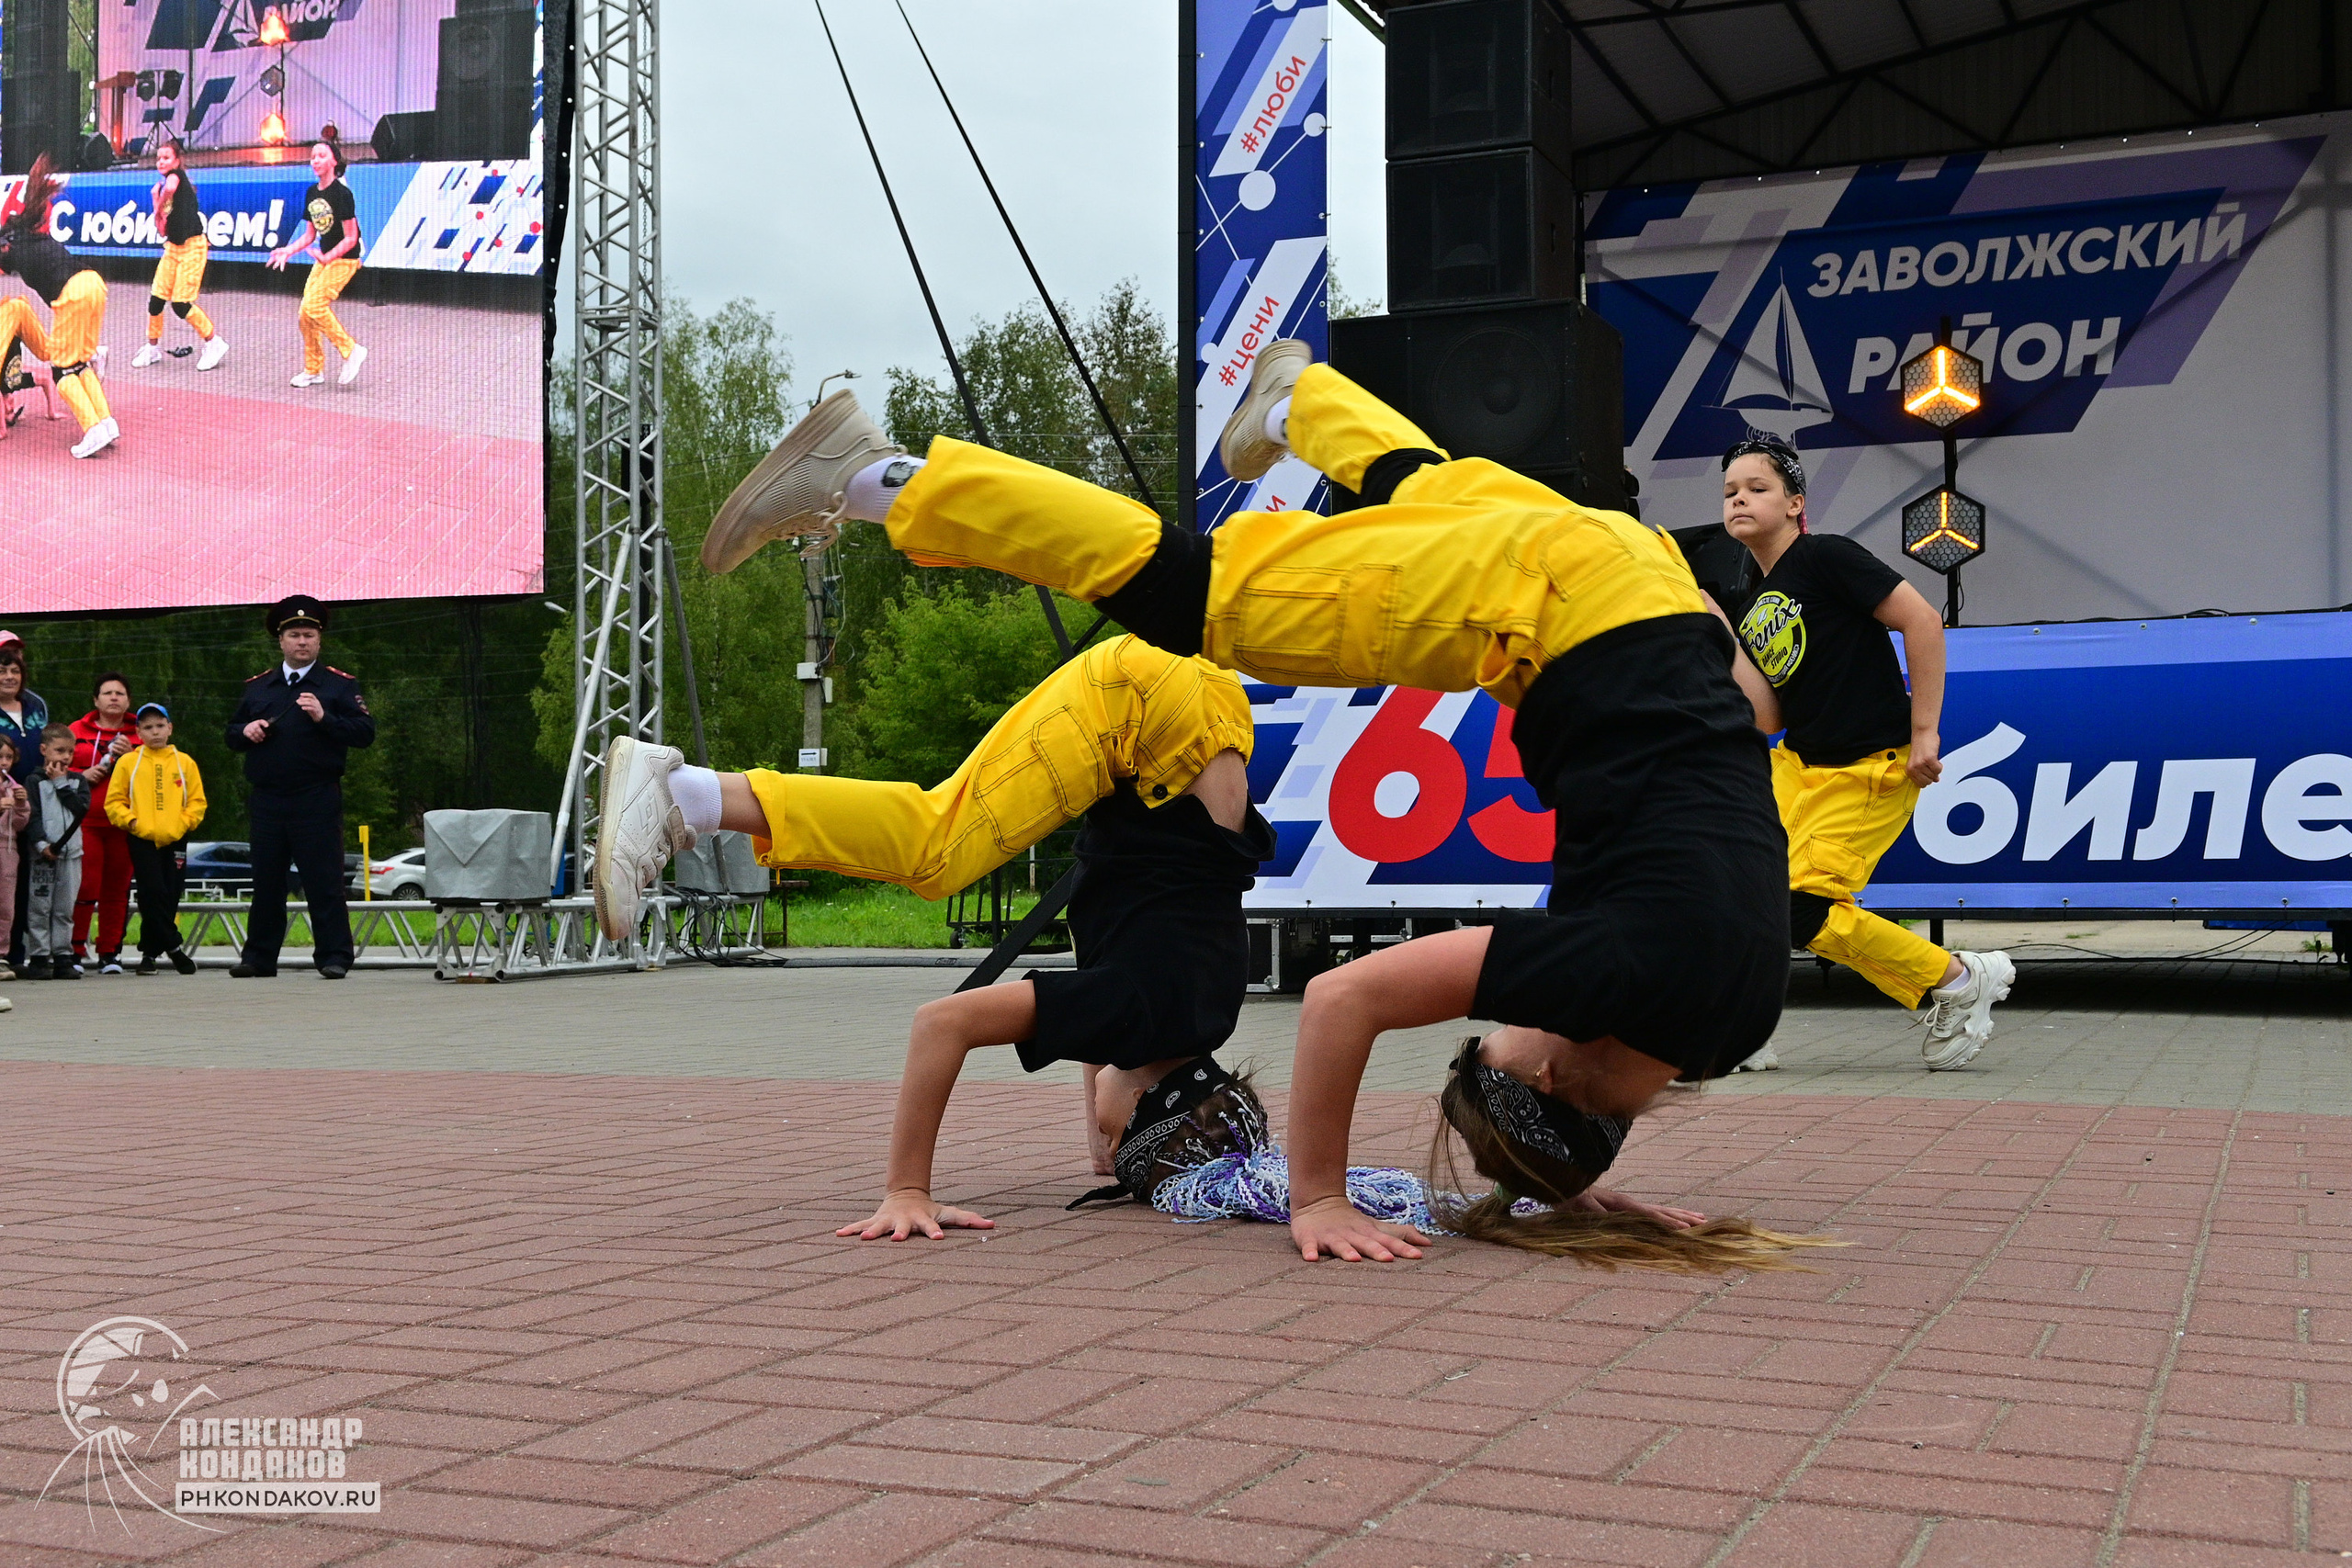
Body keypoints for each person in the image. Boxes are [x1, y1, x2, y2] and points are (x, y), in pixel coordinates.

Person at [704, 342, 1793, 1267]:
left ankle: (1295, 401)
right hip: (1552, 610)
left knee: (1428, 490)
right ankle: (877, 475)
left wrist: (1567, 1185)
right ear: (1552, 1068)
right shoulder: (1620, 976)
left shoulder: (1728, 1019)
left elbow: (1748, 720)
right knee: (1197, 592)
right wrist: (1317, 1196)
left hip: (1653, 584)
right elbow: (1341, 1001)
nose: (1502, 1026)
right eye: (1492, 1052)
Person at [1711, 431, 2013, 1071]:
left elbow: (1922, 620)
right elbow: (1768, 715)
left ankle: (1957, 978)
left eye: (1757, 488)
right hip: (1798, 764)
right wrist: (1718, 628)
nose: (1739, 499)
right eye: (1730, 491)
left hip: (1867, 764)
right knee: (1739, 887)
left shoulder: (1826, 556)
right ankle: (1743, 1026)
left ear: (1795, 503)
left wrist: (1925, 731)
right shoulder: (1748, 600)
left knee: (1802, 907)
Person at [224, 595, 374, 978]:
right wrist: (246, 730)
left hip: (316, 797)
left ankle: (334, 957)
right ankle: (259, 958)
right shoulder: (259, 686)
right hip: (268, 799)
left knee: (323, 881)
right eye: (294, 635)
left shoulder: (338, 685)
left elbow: (365, 733)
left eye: (309, 635)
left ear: (319, 640)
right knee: (267, 882)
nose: (302, 642)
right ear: (281, 641)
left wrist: (325, 718)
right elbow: (230, 734)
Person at [0, 154, 119, 457]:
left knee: (62, 372)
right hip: (93, 284)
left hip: (71, 296)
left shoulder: (12, 248)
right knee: (79, 364)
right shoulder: (32, 236)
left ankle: (93, 430)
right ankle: (106, 422)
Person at [105, 703, 204, 976]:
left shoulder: (185, 762)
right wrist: (132, 822)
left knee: (169, 894)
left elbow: (197, 802)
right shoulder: (128, 762)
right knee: (152, 891)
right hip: (142, 838)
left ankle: (149, 954)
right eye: (148, 727)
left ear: (170, 728)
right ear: (138, 732)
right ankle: (174, 947)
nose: (155, 732)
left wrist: (184, 824)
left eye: (160, 726)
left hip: (175, 838)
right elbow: (114, 802)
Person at [266, 141, 366, 389]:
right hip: (324, 258)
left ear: (334, 161)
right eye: (313, 157)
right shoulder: (312, 192)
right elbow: (310, 235)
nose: (316, 160)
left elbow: (351, 237)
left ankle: (351, 350)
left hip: (344, 259)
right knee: (305, 313)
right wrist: (288, 251)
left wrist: (329, 257)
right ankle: (314, 370)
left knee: (314, 305)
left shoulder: (342, 194)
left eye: (321, 155)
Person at [130, 139, 227, 373]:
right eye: (158, 158)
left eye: (166, 158)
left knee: (181, 304)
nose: (161, 162)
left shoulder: (176, 178)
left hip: (193, 248)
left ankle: (214, 342)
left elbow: (172, 187)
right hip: (172, 248)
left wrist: (160, 201)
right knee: (156, 300)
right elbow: (162, 229)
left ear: (176, 161)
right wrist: (156, 202)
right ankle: (152, 347)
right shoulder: (163, 190)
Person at [68, 673, 138, 976]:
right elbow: (55, 767)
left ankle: (110, 952)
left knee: (117, 888)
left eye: (119, 693)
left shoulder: (140, 732)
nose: (113, 698)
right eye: (107, 693)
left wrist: (132, 756)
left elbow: (155, 771)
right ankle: (74, 950)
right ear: (95, 700)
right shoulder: (75, 730)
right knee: (85, 884)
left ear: (128, 701)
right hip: (86, 821)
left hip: (125, 823)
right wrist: (80, 776)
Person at [25, 725, 90, 979]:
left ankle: (63, 956)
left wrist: (61, 784)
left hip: (71, 855)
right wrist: (42, 845)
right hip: (43, 856)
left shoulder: (77, 781)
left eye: (70, 752)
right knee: (40, 907)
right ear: (44, 750)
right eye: (60, 750)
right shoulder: (34, 781)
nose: (65, 757)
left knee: (64, 908)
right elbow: (32, 816)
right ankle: (39, 957)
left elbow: (80, 809)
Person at [0, 634, 49, 969]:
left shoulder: (36, 704)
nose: (9, 676)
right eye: (3, 668)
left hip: (33, 804)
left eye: (15, 667)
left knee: (27, 881)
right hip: (2, 811)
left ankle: (20, 952)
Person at [0, 736, 27, 981]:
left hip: (8, 848)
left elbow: (19, 824)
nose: (4, 762)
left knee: (6, 904)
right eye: (0, 757)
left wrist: (20, 804)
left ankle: (1, 954)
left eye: (8, 757)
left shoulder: (13, 786)